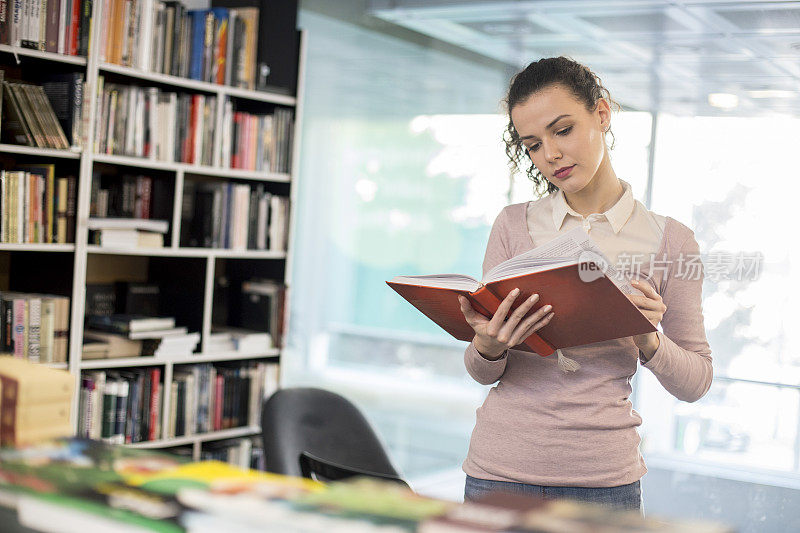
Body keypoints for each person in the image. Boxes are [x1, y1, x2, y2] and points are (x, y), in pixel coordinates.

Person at [457, 56, 713, 511]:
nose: (549, 155)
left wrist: (647, 340)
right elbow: (482, 372)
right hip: (497, 471)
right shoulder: (512, 225)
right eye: (532, 144)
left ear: (601, 113)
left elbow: (696, 382)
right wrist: (489, 346)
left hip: (603, 483)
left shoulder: (671, 240)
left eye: (562, 130)